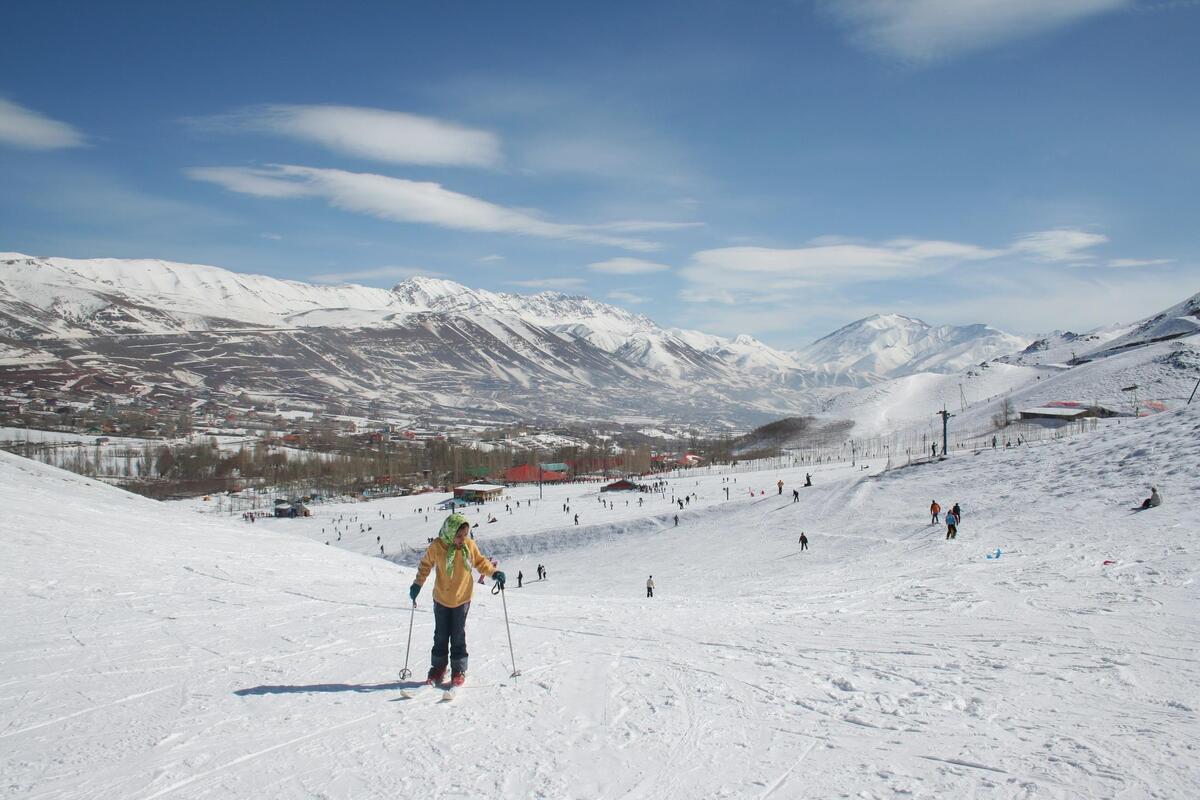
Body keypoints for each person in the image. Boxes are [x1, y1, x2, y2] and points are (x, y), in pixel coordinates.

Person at [409, 513, 504, 688]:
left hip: (462, 598)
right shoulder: (438, 546)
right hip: (441, 598)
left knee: (458, 634)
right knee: (441, 634)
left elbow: (481, 562)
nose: (462, 539)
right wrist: (417, 584)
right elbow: (425, 565)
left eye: (465, 535)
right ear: (449, 532)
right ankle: (438, 667)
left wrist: (494, 573)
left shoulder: (469, 546)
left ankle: (458, 669)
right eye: (459, 535)